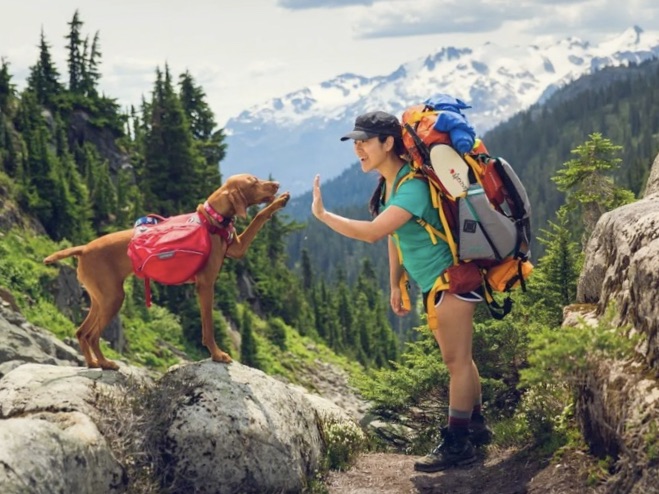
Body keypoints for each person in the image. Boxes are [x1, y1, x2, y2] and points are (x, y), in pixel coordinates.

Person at [311, 110, 492, 472]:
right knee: (460, 359)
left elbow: (374, 231)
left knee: (456, 363)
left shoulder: (412, 186)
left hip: (451, 281)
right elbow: (395, 236)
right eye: (355, 142)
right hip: (436, 285)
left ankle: (458, 444)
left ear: (388, 142)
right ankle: (476, 428)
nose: (358, 148)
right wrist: (396, 281)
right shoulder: (390, 185)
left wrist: (324, 216)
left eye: (364, 141)